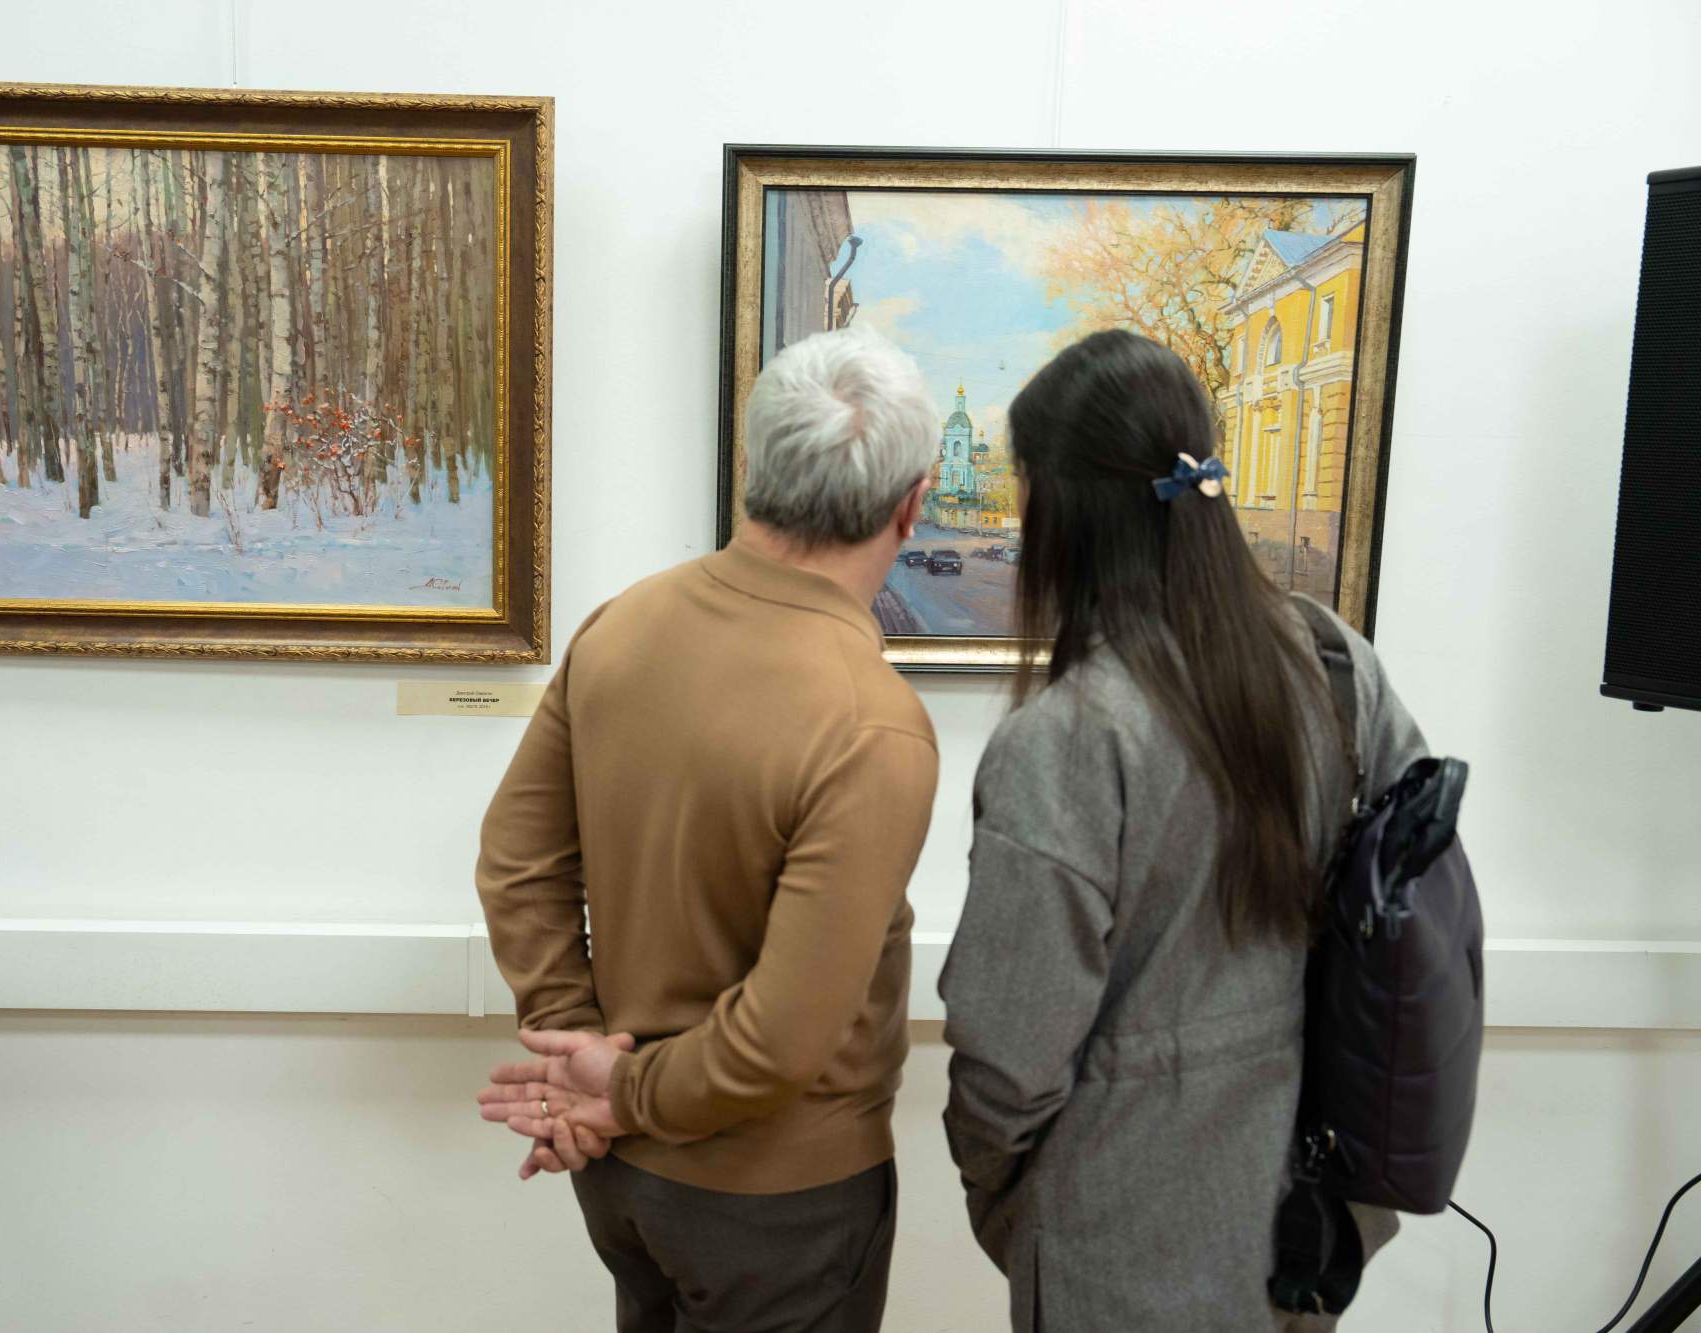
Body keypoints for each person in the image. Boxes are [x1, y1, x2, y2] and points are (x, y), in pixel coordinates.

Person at [940, 330, 1425, 1332]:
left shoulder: (1065, 738)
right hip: (1305, 1229)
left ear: (1060, 505)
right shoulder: (1336, 662)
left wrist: (1006, 1198)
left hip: (1117, 1240)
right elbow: (1412, 914)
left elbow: (1006, 1060)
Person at [473, 327, 942, 1333]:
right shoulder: (872, 721)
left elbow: (516, 862)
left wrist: (579, 1052)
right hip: (777, 1201)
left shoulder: (622, 625)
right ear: (912, 504)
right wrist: (615, 1086)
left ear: (753, 465)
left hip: (621, 1178)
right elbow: (777, 1041)